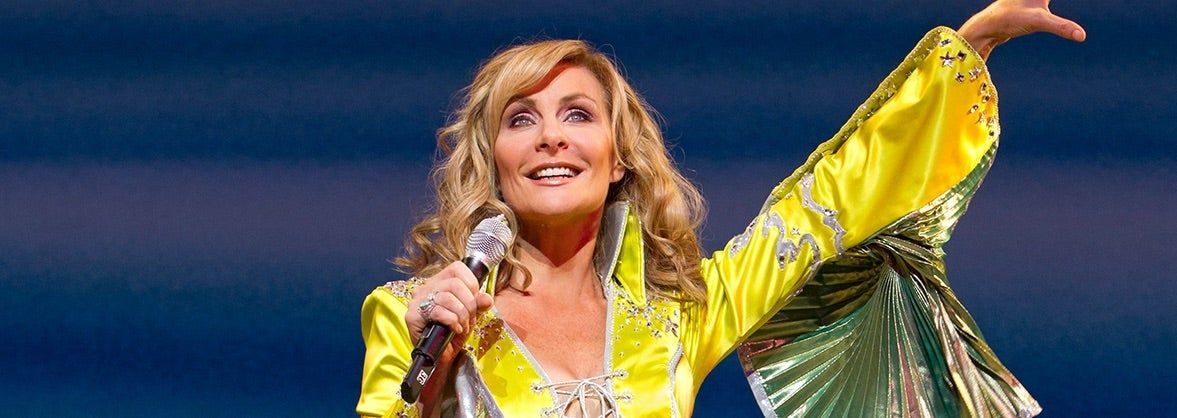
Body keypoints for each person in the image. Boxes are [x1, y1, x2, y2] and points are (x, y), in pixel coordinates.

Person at [358, 1, 1086, 417]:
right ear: (493, 162)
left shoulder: (680, 314)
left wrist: (968, 47)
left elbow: (820, 205)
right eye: (521, 119)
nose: (551, 136)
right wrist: (431, 380)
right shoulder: (412, 316)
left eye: (577, 114)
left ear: (618, 159)